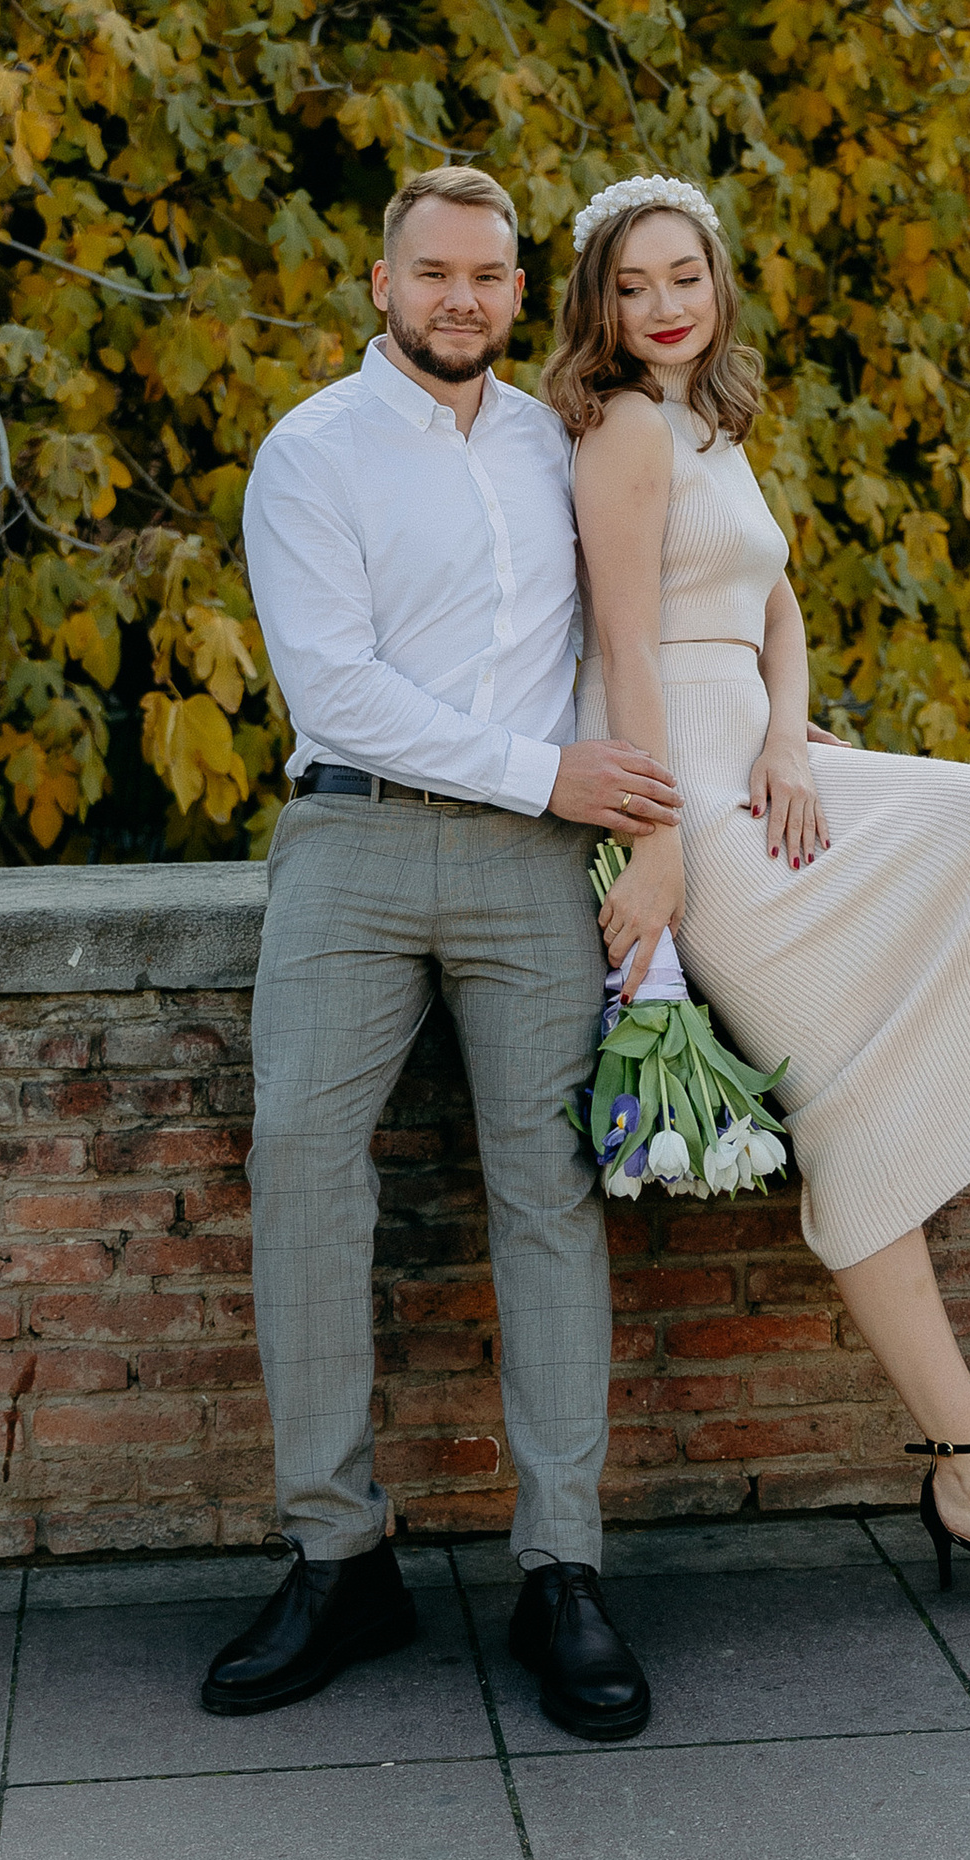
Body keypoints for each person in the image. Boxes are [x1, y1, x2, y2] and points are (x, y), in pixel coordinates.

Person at [545, 171, 970, 1619]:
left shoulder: (712, 420)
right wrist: (664, 842)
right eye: (634, 287)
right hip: (684, 780)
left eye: (684, 277)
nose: (664, 306)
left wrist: (793, 736)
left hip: (762, 751)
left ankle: (969, 1470)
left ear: (718, 283)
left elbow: (778, 600)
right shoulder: (618, 426)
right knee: (850, 1112)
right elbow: (623, 641)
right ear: (599, 307)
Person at [204, 164, 668, 1737]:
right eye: (433, 274)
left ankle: (564, 1569)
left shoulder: (563, 445)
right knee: (303, 1159)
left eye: (488, 275)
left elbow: (638, 629)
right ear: (382, 284)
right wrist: (551, 774)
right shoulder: (310, 453)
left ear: (519, 292)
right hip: (352, 839)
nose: (459, 299)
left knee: (551, 1187)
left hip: (533, 871)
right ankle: (341, 1559)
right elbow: (335, 690)